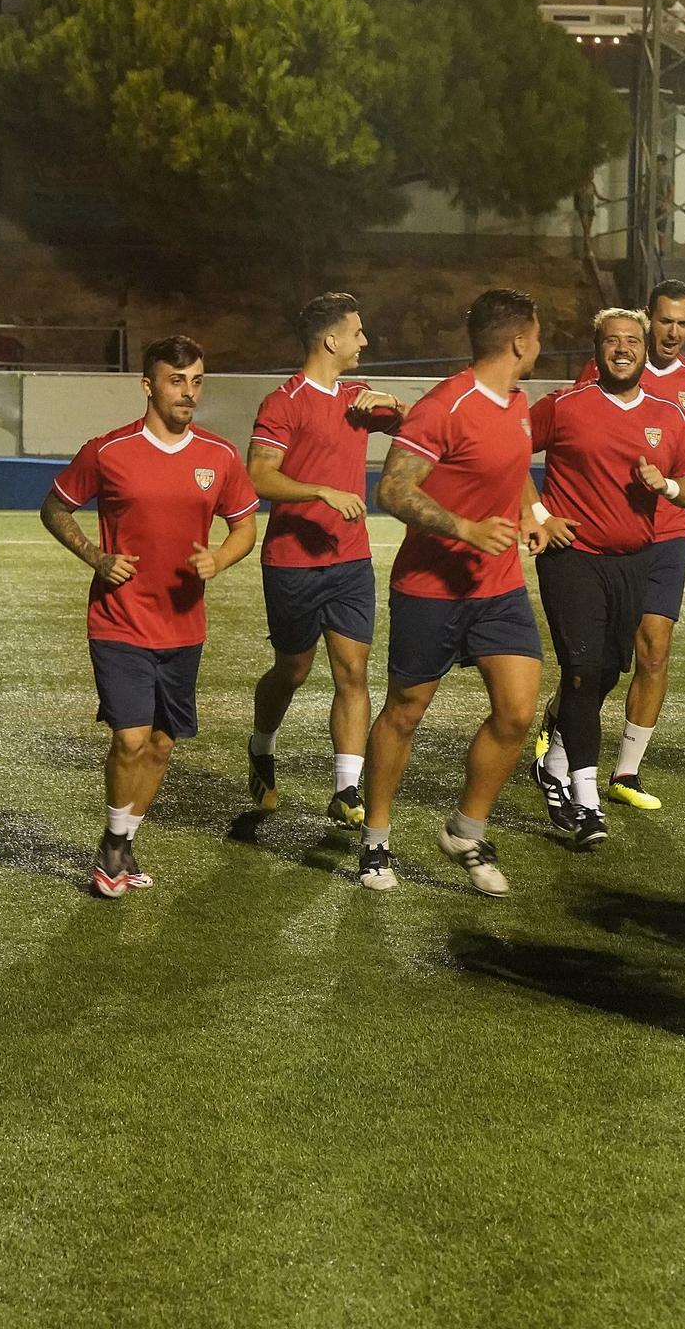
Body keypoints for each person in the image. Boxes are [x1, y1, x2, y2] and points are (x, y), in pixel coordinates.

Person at [39, 336, 259, 897]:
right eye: (176, 380)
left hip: (184, 626)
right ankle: (113, 845)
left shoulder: (220, 456)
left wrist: (220, 558)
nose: (188, 393)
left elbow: (244, 529)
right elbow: (55, 506)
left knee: (162, 745)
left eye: (196, 381)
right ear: (148, 385)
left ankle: (126, 839)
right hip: (119, 621)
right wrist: (96, 556)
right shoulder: (107, 451)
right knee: (132, 739)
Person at [356, 290, 547, 897]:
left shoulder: (519, 403)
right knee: (406, 712)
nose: (539, 346)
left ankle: (465, 831)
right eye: (537, 336)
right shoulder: (444, 406)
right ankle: (376, 839)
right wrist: (464, 527)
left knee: (517, 712)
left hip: (498, 587)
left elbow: (508, 473)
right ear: (519, 341)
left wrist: (533, 513)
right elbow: (392, 491)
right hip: (431, 588)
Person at [542, 278, 685, 813]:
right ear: (646, 319)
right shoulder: (610, 364)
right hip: (602, 540)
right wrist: (539, 511)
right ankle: (562, 739)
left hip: (665, 533)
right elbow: (566, 431)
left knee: (652, 652)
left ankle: (625, 770)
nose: (673, 332)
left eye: (684, 323)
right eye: (665, 321)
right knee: (598, 661)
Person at [529, 308, 685, 850]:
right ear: (596, 348)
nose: (622, 348)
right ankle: (586, 801)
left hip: (635, 561)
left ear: (644, 348)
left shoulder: (668, 414)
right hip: (571, 555)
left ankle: (554, 765)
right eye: (612, 341)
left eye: (632, 340)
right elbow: (504, 454)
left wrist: (667, 487)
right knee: (581, 672)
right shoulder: (563, 406)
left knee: (605, 673)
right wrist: (538, 517)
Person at [245, 293, 405, 826]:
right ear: (331, 340)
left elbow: (424, 426)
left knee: (353, 671)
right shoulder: (283, 402)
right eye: (357, 333)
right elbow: (260, 476)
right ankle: (262, 744)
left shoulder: (360, 398)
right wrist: (321, 492)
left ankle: (347, 789)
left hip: (350, 561)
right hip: (292, 560)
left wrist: (393, 403)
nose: (365, 341)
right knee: (293, 669)